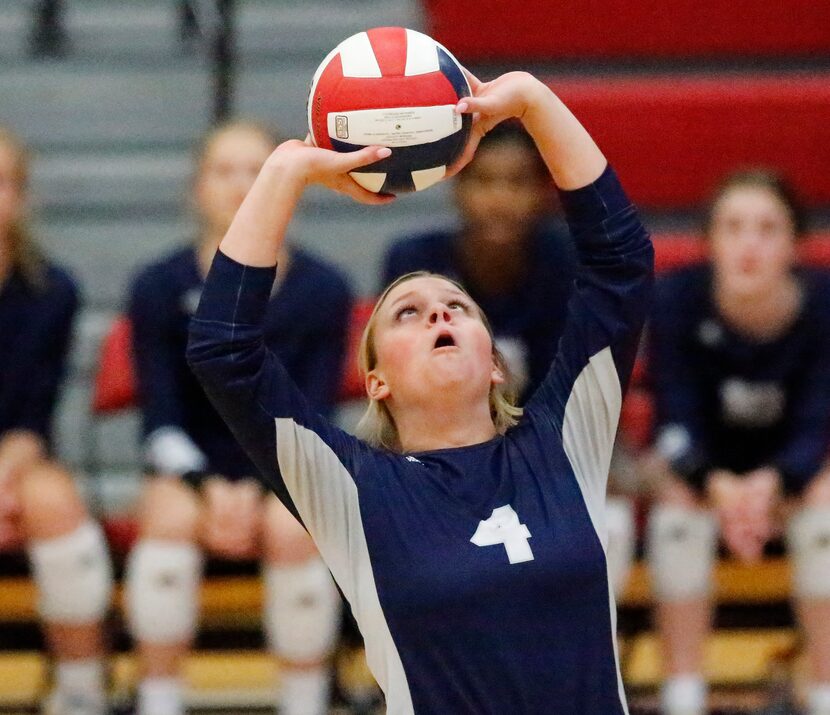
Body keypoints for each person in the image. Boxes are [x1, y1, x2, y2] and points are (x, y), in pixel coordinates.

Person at [186, 70, 653, 713]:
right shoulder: (350, 490)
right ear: (376, 381)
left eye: (458, 307)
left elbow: (620, 265)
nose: (439, 314)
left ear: (494, 364)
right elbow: (223, 351)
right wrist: (284, 172)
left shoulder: (565, 441)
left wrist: (533, 102)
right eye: (407, 312)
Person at [125, 121, 351, 715]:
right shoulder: (157, 285)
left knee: (292, 527)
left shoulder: (325, 289)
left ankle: (304, 701)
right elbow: (160, 420)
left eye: (255, 169)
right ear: (195, 188)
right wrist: (204, 487)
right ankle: (158, 699)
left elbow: (314, 414)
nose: (240, 185)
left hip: (286, 470)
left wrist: (258, 488)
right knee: (168, 516)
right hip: (193, 467)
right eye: (223, 171)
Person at [381, 118, 635, 600]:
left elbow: (576, 393)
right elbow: (401, 390)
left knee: (616, 502)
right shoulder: (412, 261)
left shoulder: (567, 264)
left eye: (516, 182)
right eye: (484, 181)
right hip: (435, 444)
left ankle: (591, 647)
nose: (499, 198)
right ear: (456, 189)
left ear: (542, 193)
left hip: (551, 442)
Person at [642, 169, 830, 715]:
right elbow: (672, 418)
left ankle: (823, 691)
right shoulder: (676, 297)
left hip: (795, 467)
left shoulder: (822, 303)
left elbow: (820, 418)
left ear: (795, 244)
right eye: (734, 227)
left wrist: (776, 483)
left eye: (768, 229)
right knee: (676, 516)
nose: (750, 244)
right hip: (705, 468)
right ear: (710, 240)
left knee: (825, 517)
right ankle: (684, 695)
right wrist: (717, 485)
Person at [0, 126, 113, 715]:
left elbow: (33, 410)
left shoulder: (51, 291)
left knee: (55, 503)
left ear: (21, 197)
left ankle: (80, 693)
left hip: (17, 454)